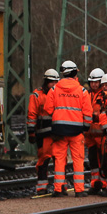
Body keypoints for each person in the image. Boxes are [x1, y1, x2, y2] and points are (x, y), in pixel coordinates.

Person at [44, 60, 93, 197]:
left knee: (59, 159)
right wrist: (86, 127)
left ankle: (58, 189)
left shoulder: (54, 90)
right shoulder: (82, 91)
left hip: (59, 130)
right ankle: (79, 190)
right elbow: (88, 112)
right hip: (77, 131)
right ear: (74, 72)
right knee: (78, 159)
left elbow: (48, 109)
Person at [27, 68, 60, 195]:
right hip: (43, 134)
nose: (54, 85)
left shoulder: (59, 94)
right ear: (46, 82)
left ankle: (59, 186)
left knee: (59, 160)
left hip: (57, 133)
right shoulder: (36, 96)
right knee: (43, 160)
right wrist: (31, 132)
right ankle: (42, 187)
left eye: (56, 82)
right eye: (51, 82)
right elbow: (32, 114)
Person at [84, 67, 107, 192]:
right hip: (90, 134)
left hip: (101, 133)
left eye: (96, 82)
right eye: (92, 82)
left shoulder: (104, 95)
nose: (94, 84)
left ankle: (103, 183)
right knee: (93, 160)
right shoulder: (87, 94)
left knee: (103, 159)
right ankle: (95, 183)